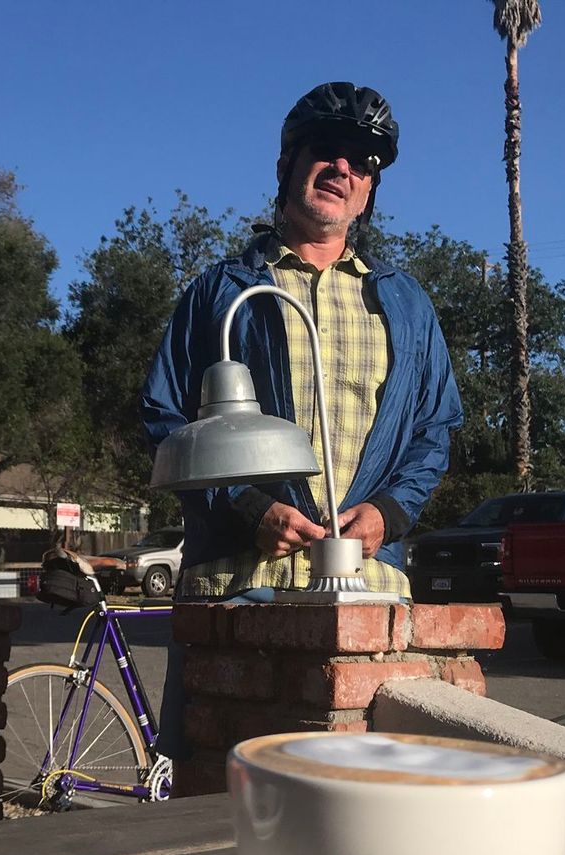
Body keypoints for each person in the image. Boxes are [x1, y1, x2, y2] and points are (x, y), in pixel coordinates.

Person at [141, 82, 463, 758]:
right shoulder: (220, 292)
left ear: (369, 189)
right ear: (287, 163)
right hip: (238, 592)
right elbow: (166, 419)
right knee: (219, 798)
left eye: (363, 161)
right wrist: (247, 506)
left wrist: (390, 512)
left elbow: (435, 428)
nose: (343, 167)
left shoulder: (406, 304)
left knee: (362, 800)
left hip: (369, 600)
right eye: (327, 149)